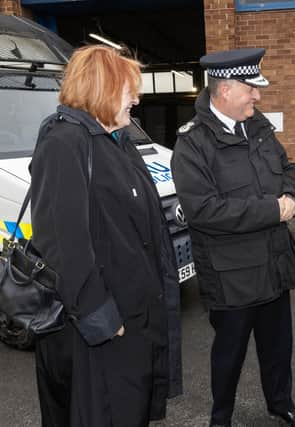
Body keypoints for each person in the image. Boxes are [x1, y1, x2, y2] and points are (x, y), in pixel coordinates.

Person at [29, 45, 181, 427]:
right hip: (103, 330)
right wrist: (102, 318)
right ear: (102, 88)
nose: (137, 97)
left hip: (134, 323)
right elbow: (64, 243)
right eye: (129, 87)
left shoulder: (119, 141)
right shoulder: (64, 143)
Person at [171, 48, 295, 427]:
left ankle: (280, 403)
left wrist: (293, 197)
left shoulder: (258, 126)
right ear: (225, 89)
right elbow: (205, 211)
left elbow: (289, 168)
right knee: (229, 355)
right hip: (231, 276)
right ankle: (221, 418)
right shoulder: (192, 144)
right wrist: (274, 210)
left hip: (274, 263)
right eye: (251, 89)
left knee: (278, 347)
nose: (258, 96)